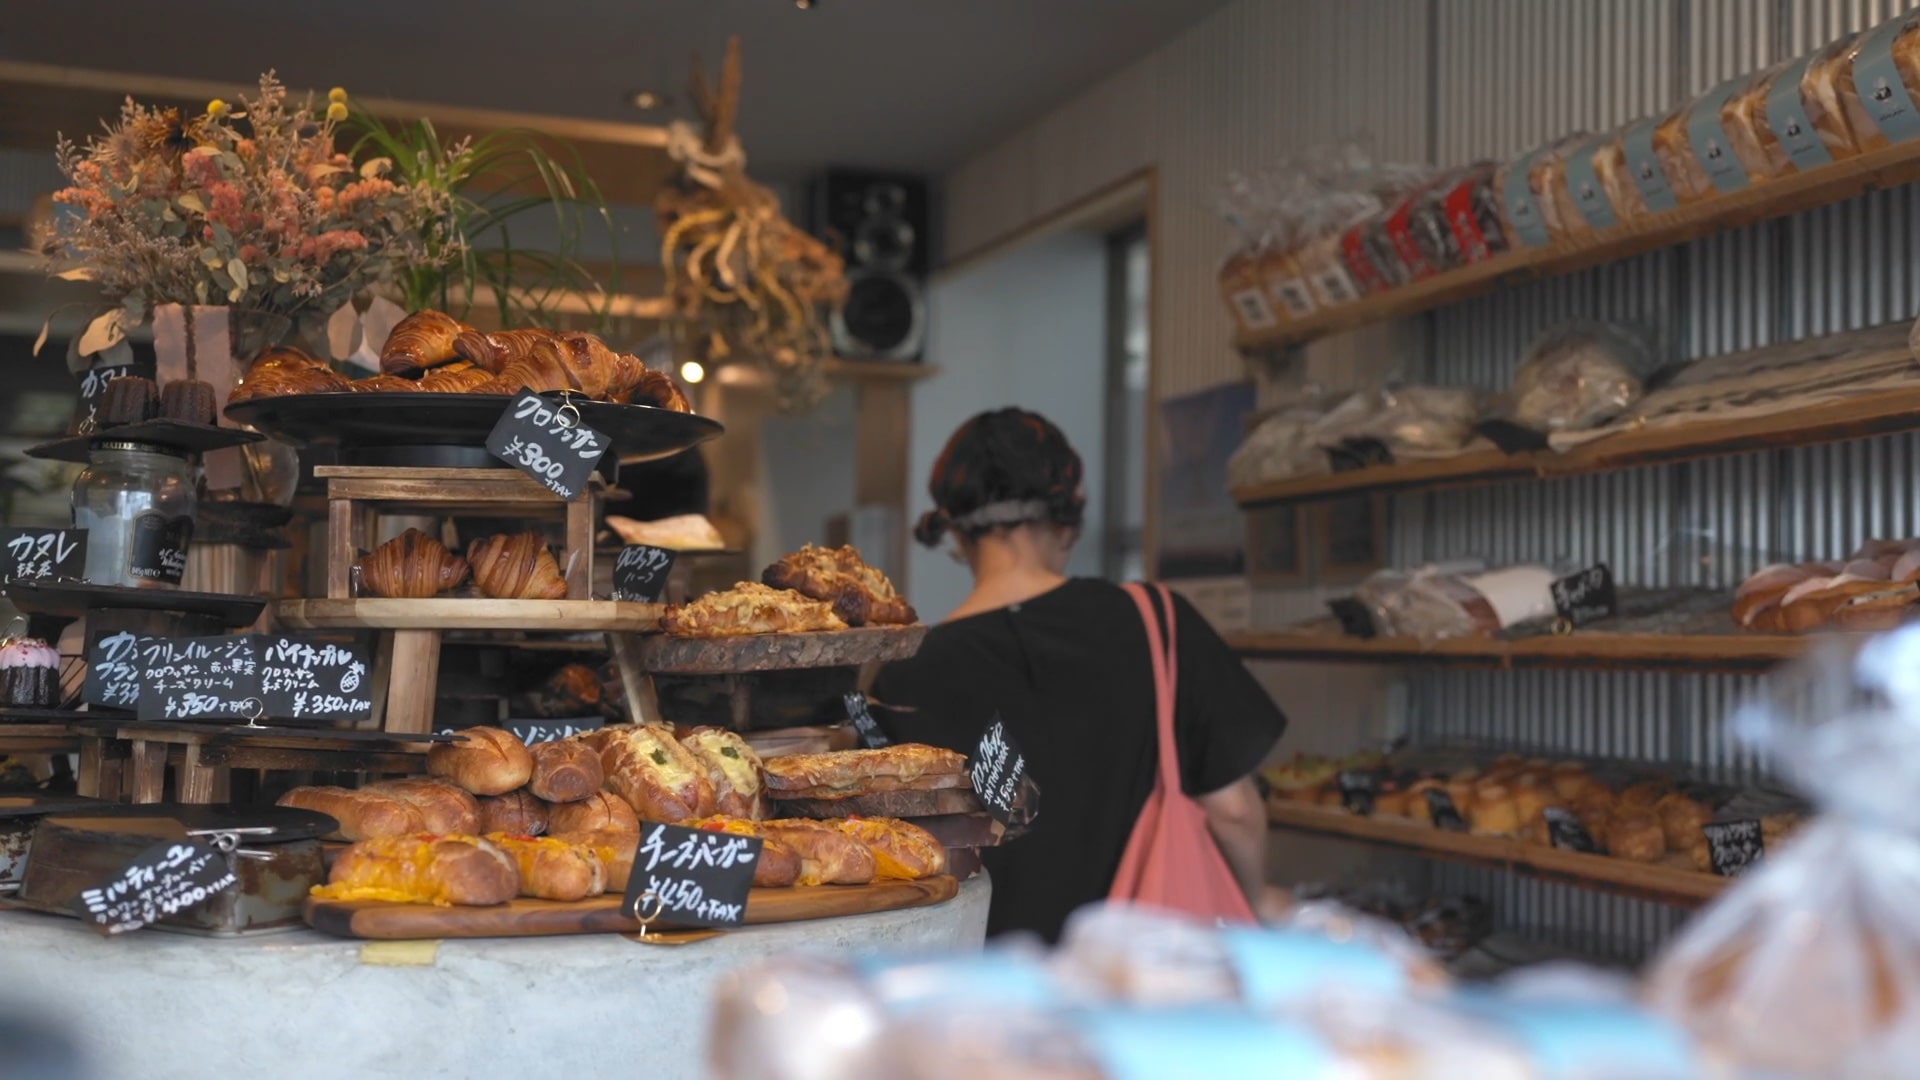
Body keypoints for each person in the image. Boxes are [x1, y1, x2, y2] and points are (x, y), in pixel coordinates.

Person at [871, 407, 1288, 942]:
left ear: (951, 528)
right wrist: (1257, 900)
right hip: (1143, 974)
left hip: (995, 986)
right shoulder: (1155, 620)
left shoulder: (908, 673)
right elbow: (1232, 811)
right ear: (1068, 510)